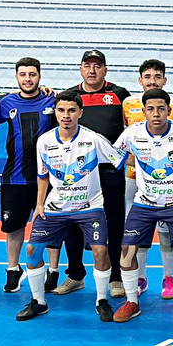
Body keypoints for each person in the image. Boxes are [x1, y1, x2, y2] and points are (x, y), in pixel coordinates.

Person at [17, 91, 128, 322]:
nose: (66, 115)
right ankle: (38, 302)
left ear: (80, 113)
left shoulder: (94, 139)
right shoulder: (44, 141)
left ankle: (101, 300)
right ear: (55, 113)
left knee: (100, 251)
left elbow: (121, 159)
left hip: (90, 207)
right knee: (32, 250)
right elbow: (42, 176)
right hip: (55, 207)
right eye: (61, 110)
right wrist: (39, 204)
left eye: (71, 110)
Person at [113, 89, 173, 327]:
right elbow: (116, 155)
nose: (156, 114)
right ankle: (132, 301)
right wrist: (140, 161)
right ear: (144, 111)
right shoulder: (132, 133)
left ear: (169, 110)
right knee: (127, 249)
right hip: (144, 203)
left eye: (161, 109)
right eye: (151, 109)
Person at [56, 50, 130, 299]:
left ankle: (116, 277)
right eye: (87, 65)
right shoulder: (70, 96)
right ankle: (76, 275)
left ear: (105, 70)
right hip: (77, 174)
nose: (92, 70)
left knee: (115, 223)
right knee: (73, 223)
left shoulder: (119, 94)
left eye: (97, 66)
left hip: (109, 172)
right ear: (80, 69)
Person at [122, 59, 173, 301]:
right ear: (140, 80)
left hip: (172, 185)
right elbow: (120, 150)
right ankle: (140, 278)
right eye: (147, 76)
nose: (152, 80)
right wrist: (143, 163)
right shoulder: (128, 104)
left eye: (157, 76)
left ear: (164, 80)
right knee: (137, 235)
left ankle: (168, 278)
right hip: (136, 182)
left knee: (167, 234)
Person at [0, 57, 57, 294]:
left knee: (51, 225)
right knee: (14, 227)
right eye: (23, 74)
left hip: (48, 178)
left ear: (39, 76)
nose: (28, 79)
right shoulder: (6, 103)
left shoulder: (52, 100)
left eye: (32, 74)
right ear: (16, 77)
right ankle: (13, 269)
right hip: (15, 177)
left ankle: (53, 270)